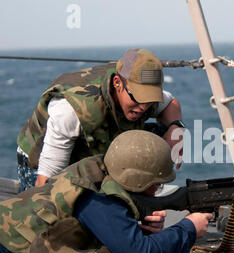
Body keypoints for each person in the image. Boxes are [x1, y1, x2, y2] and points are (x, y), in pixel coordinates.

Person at [0, 130, 212, 253]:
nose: (158, 188)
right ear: (136, 180)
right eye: (155, 183)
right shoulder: (99, 198)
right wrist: (189, 228)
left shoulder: (100, 171)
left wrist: (136, 226)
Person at [16, 48, 185, 192]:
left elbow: (171, 103)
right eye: (138, 98)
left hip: (92, 143)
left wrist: (175, 129)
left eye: (149, 100)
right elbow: (45, 185)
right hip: (41, 159)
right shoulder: (70, 111)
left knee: (157, 134)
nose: (143, 107)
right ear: (118, 83)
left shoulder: (139, 90)